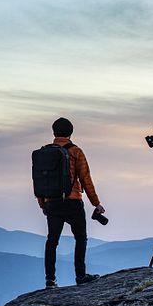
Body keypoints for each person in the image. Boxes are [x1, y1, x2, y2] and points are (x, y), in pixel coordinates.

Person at [37, 117, 105, 289]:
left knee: (52, 241)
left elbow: (38, 181)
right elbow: (85, 178)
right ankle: (80, 276)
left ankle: (50, 280)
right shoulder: (76, 151)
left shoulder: (44, 153)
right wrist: (96, 203)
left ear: (54, 132)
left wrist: (43, 204)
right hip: (73, 201)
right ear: (71, 132)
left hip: (52, 202)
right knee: (81, 238)